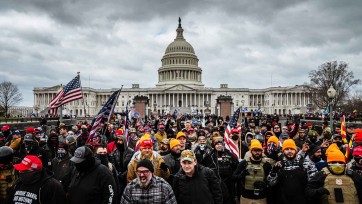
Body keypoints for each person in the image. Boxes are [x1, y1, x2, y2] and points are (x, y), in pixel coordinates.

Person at [267, 139, 308, 204]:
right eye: (287, 149)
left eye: (292, 149)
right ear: (283, 151)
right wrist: (273, 172)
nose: (289, 151)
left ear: (296, 150)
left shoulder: (305, 163)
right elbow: (271, 183)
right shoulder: (278, 165)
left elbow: (311, 183)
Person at [233, 139, 272, 203]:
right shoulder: (244, 163)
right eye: (255, 150)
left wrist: (265, 184)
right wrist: (241, 175)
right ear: (251, 151)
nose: (257, 152)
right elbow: (234, 177)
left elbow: (271, 181)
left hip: (261, 198)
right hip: (246, 197)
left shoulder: (266, 165)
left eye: (259, 150)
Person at [203, 136, 238, 204]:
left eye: (220, 144)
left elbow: (236, 166)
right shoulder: (210, 155)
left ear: (223, 145)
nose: (219, 146)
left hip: (228, 183)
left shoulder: (229, 154)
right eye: (217, 144)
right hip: (215, 182)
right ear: (214, 145)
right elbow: (203, 165)